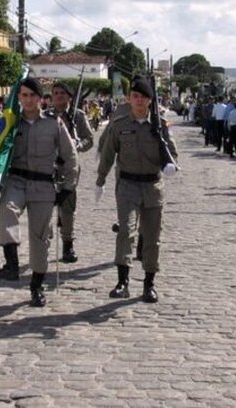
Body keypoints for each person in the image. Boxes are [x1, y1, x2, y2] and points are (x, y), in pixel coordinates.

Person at [0, 78, 77, 308]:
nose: (28, 100)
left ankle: (36, 286)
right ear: (19, 97)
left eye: (33, 95)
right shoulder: (11, 123)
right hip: (17, 181)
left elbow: (70, 156)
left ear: (41, 99)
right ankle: (12, 263)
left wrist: (68, 187)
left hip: (43, 184)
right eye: (24, 95)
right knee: (6, 211)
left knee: (40, 237)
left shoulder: (54, 124)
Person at [96, 76, 178, 303]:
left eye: (143, 97)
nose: (139, 100)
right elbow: (108, 154)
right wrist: (100, 181)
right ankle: (122, 282)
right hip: (128, 186)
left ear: (150, 100)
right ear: (129, 99)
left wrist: (171, 164)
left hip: (153, 186)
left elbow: (172, 153)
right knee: (126, 230)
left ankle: (149, 284)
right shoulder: (120, 125)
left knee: (152, 236)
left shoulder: (160, 125)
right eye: (135, 96)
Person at [45, 81, 94, 263]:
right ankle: (44, 240)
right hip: (48, 166)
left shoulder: (79, 116)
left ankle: (68, 244)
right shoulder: (45, 116)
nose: (59, 96)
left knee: (67, 206)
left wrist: (77, 144)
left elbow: (89, 139)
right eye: (56, 93)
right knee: (45, 204)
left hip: (69, 167)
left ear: (69, 97)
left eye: (62, 93)